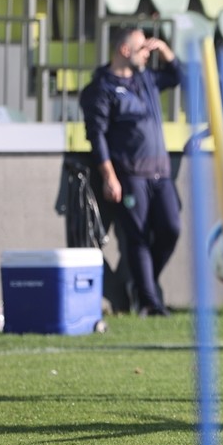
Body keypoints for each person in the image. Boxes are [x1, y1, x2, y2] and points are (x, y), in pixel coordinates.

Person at [79, 27, 182, 317]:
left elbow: (181, 78)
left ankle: (142, 285)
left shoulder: (145, 79)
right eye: (143, 49)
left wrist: (165, 51)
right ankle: (149, 301)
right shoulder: (101, 88)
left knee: (171, 229)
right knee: (136, 237)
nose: (148, 54)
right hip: (130, 175)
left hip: (160, 173)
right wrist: (109, 176)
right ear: (125, 51)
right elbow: (96, 136)